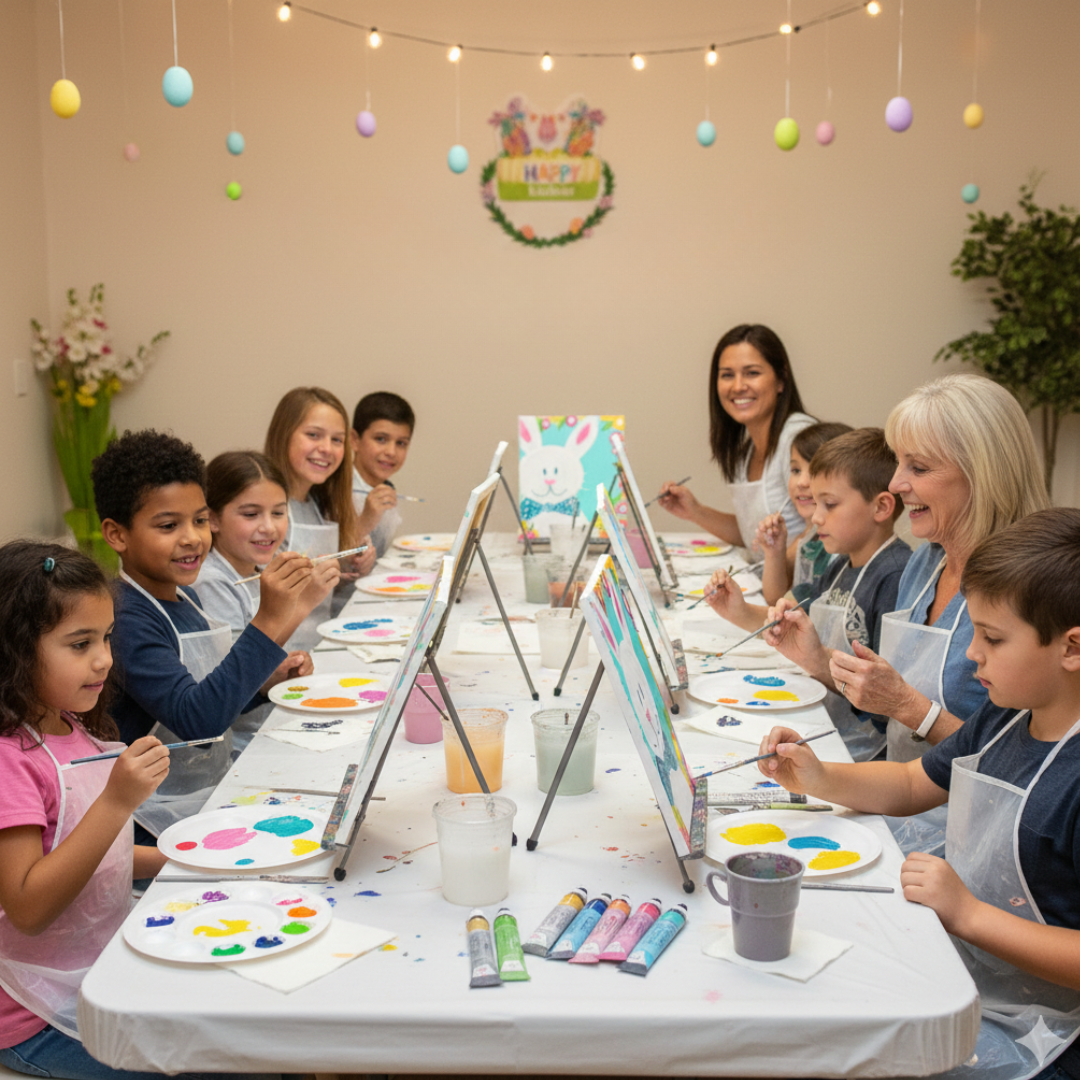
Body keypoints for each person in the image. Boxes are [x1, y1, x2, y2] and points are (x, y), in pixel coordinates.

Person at [756, 509, 1080, 1080]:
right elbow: (912, 782)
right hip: (963, 959)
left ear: (1071, 647)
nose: (972, 653)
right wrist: (817, 778)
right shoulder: (1006, 715)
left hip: (1044, 1028)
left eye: (992, 638)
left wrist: (969, 914)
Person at [0, 540, 172, 1076]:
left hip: (96, 972)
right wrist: (117, 802)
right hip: (33, 1014)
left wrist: (180, 862)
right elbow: (28, 906)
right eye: (80, 644)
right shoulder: (9, 760)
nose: (104, 659)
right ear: (15, 651)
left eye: (107, 637)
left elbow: (96, 857)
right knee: (207, 1063)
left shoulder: (70, 726)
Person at [94, 429, 316, 837]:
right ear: (117, 534)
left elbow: (209, 694)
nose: (192, 538)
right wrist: (268, 620)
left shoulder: (184, 597)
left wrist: (264, 684)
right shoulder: (124, 619)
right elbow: (198, 722)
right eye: (168, 525)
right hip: (155, 820)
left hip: (206, 793)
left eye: (199, 520)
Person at [759, 428, 912, 759]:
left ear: (881, 507)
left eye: (829, 504)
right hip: (831, 727)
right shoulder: (840, 565)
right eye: (816, 504)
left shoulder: (895, 576)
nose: (816, 517)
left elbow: (885, 702)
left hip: (869, 752)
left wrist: (816, 659)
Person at [195, 450, 339, 755]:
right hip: (240, 744)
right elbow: (234, 677)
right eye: (251, 514)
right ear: (213, 519)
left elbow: (260, 672)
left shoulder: (260, 567)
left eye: (278, 512)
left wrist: (283, 670)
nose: (269, 527)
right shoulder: (211, 581)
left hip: (272, 720)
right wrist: (303, 603)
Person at [658, 324, 816, 550]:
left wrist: (774, 568)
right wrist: (695, 511)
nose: (738, 386)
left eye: (752, 373)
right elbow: (753, 537)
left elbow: (818, 532)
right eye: (727, 375)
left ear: (781, 380)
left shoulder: (798, 439)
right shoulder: (746, 452)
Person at [702, 421, 852, 632]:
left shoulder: (839, 547)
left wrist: (741, 612)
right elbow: (776, 598)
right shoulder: (808, 538)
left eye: (815, 471)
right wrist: (774, 551)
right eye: (796, 470)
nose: (802, 482)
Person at [264, 387, 377, 643]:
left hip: (316, 641)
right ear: (283, 434)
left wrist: (345, 567)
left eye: (337, 440)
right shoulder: (263, 511)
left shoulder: (318, 503)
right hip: (277, 652)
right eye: (313, 435)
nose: (327, 448)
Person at [351, 391, 415, 558]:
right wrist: (365, 521)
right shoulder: (335, 492)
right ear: (354, 440)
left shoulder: (387, 490)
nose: (391, 452)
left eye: (401, 443)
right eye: (381, 439)